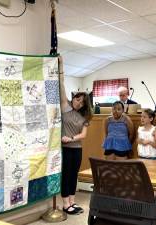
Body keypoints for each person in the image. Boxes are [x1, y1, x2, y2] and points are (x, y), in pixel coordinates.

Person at [59, 56, 93, 215]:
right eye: (77, 99)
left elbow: (83, 135)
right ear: (74, 97)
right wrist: (61, 65)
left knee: (74, 174)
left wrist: (71, 138)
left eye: (81, 102)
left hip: (76, 148)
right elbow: (61, 84)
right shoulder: (65, 106)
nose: (78, 102)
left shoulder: (84, 117)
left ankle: (72, 201)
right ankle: (65, 204)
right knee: (66, 175)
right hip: (65, 149)